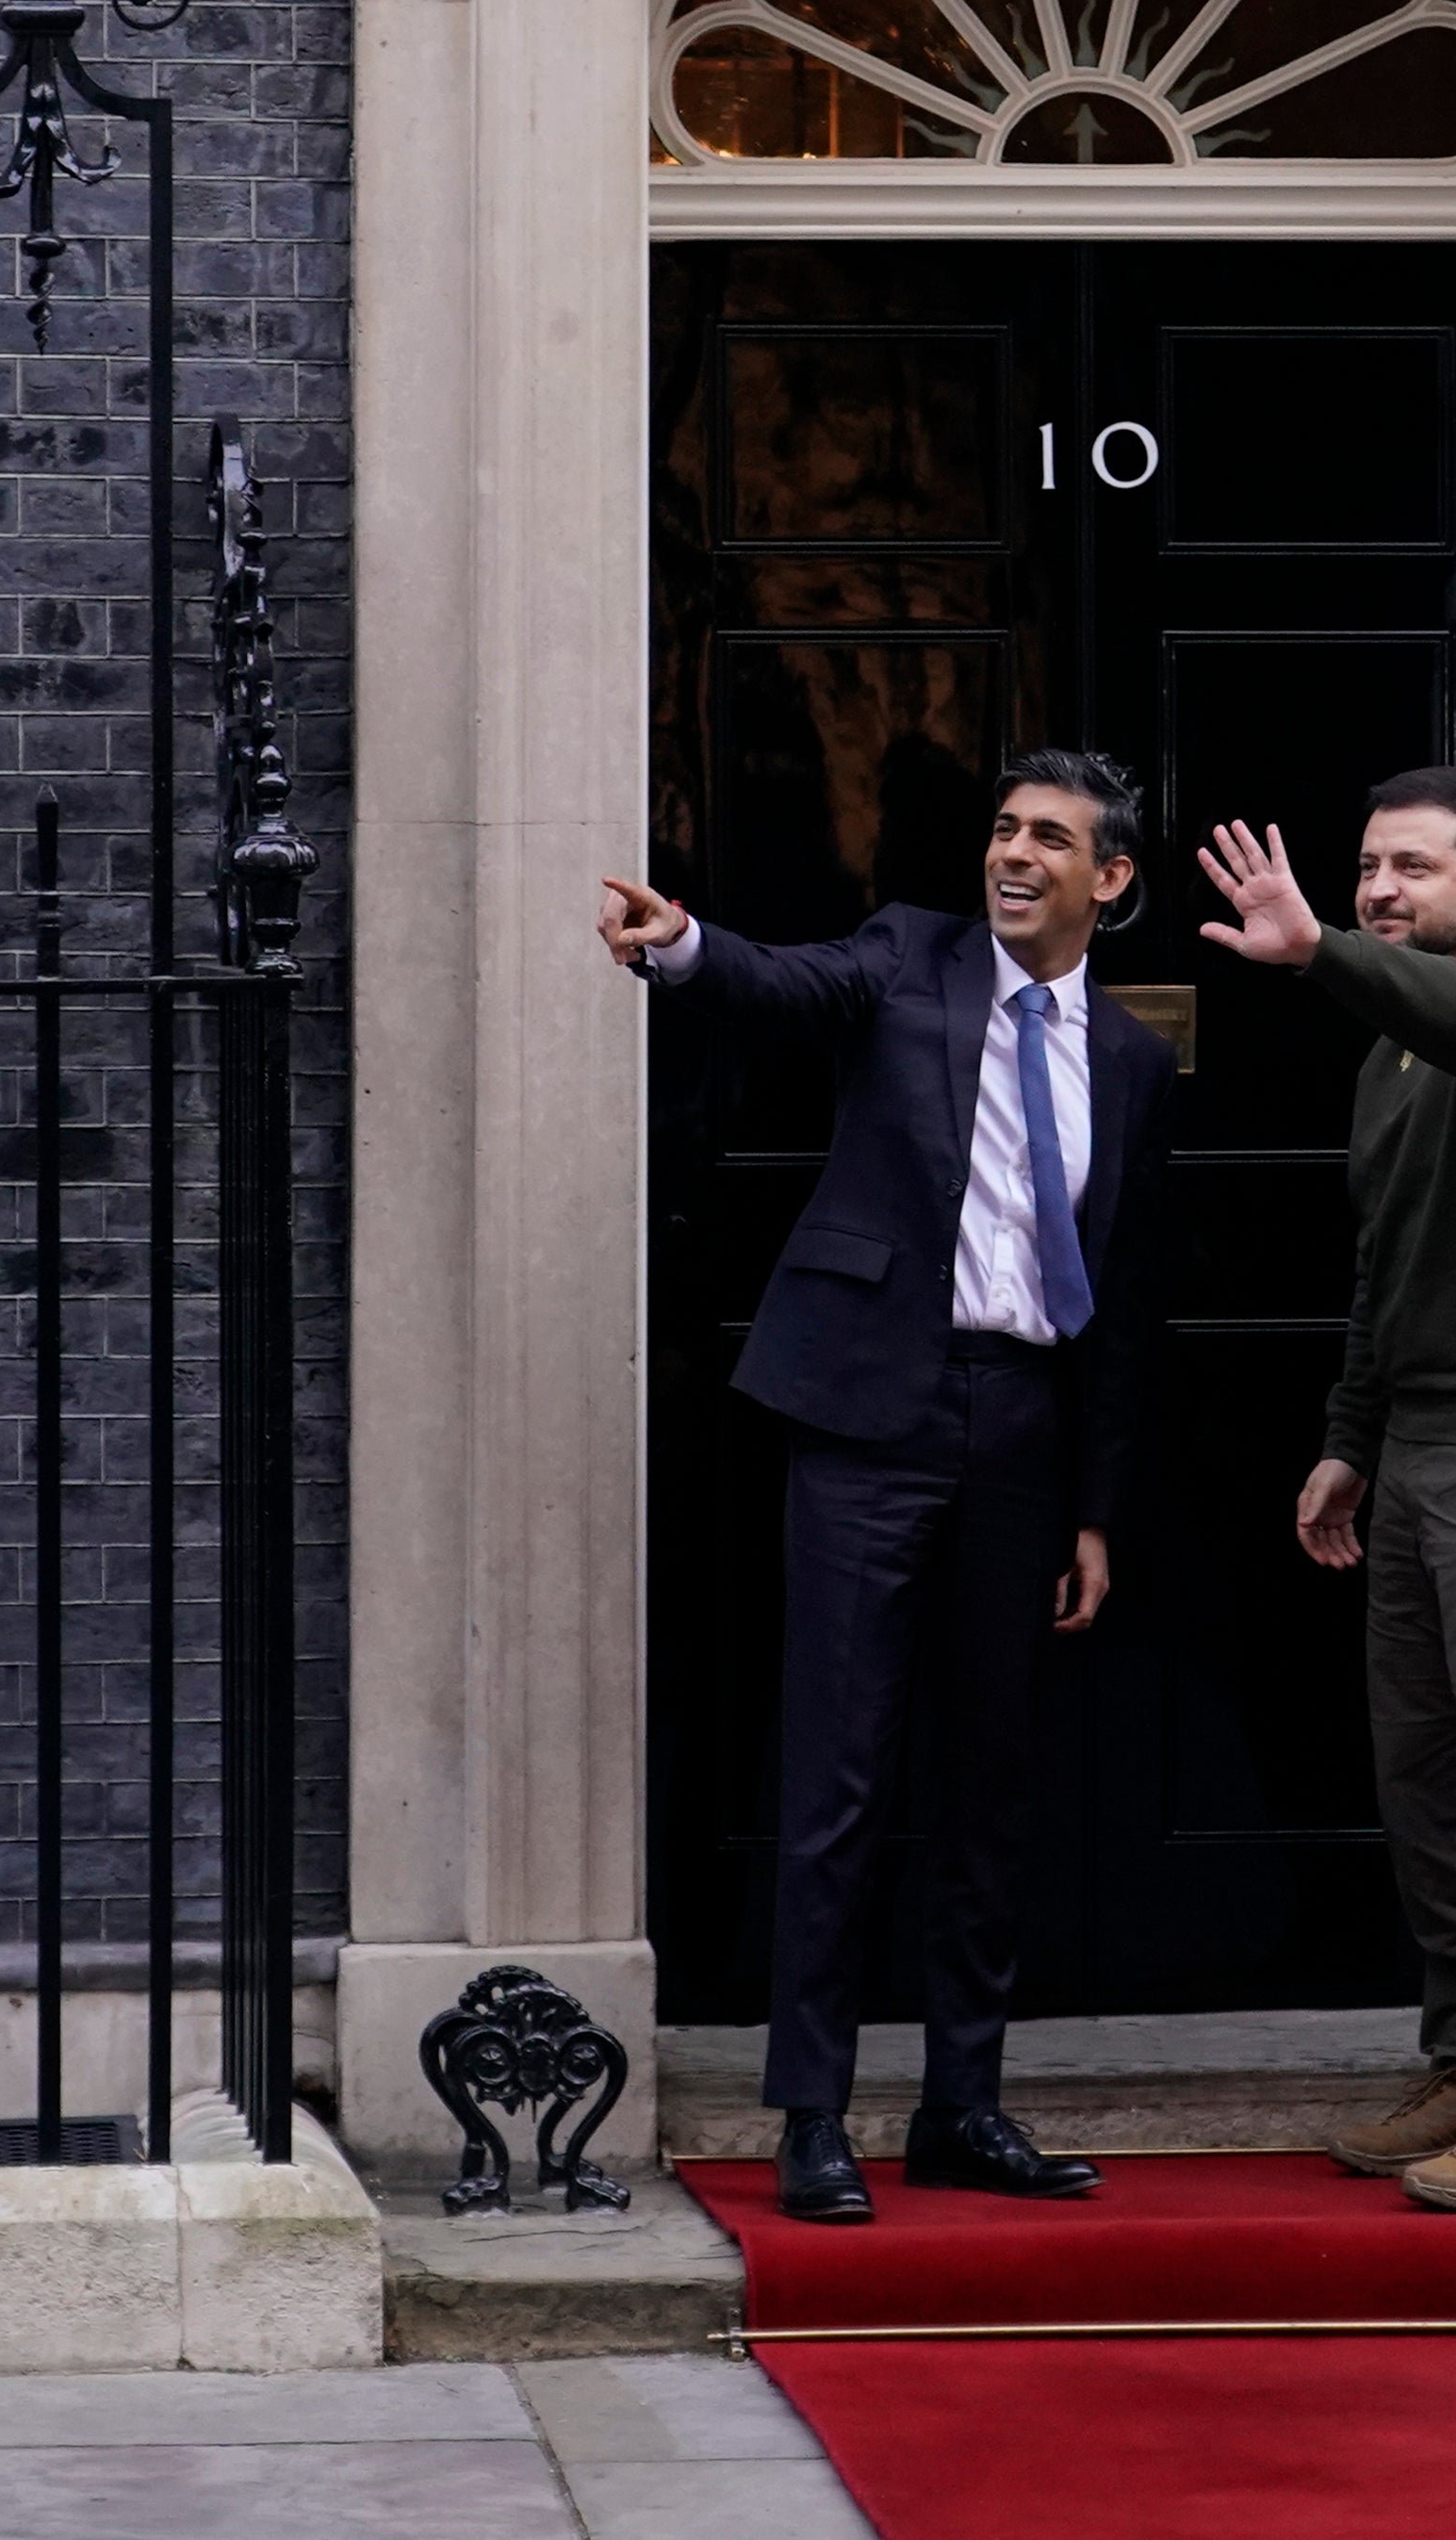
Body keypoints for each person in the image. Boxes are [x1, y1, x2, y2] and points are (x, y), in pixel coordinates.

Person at [599, 749, 1181, 2223]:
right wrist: (681, 949)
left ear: (1110, 878)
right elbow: (784, 983)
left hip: (1025, 1429)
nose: (1016, 853)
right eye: (1004, 827)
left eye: (1051, 838)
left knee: (988, 1784)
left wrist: (1095, 1507)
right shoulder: (910, 956)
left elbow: (1125, 1299)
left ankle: (963, 2105)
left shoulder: (1127, 1057)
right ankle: (813, 2112)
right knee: (840, 1775)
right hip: (871, 1413)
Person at [1194, 768, 1456, 2212]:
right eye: (1367, 866)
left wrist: (1322, 951)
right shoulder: (1387, 1059)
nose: (1380, 888)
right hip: (1425, 1452)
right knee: (1429, 1792)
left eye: (1413, 870)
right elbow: (1385, 1266)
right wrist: (1348, 1435)